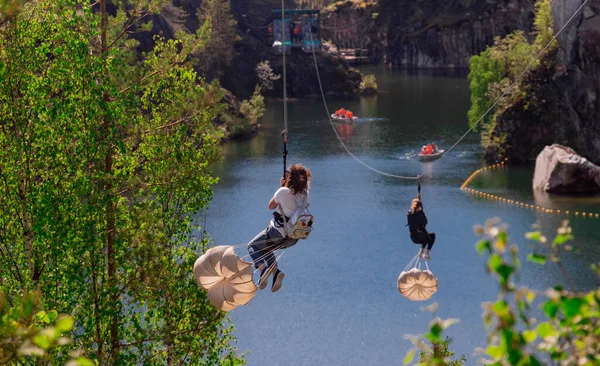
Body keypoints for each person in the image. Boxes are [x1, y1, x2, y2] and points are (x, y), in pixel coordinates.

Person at [247, 164, 312, 292]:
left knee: (252, 246)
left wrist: (282, 187)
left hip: (277, 233)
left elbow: (271, 206)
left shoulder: (282, 191)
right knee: (266, 247)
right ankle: (276, 272)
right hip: (293, 238)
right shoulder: (306, 194)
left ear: (290, 177)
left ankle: (263, 269)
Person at [406, 194, 435, 260]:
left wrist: (419, 199)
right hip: (419, 236)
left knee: (425, 234)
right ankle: (427, 253)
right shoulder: (420, 215)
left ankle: (421, 252)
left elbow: (416, 212)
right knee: (431, 236)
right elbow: (425, 222)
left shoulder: (409, 214)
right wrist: (422, 212)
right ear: (419, 207)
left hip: (413, 238)